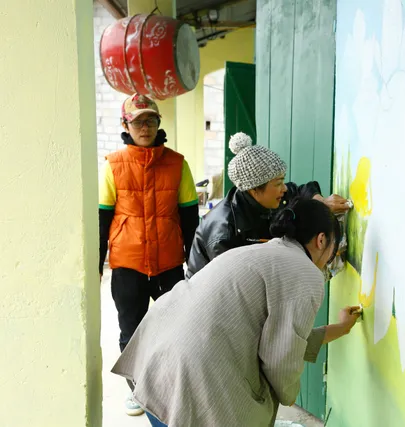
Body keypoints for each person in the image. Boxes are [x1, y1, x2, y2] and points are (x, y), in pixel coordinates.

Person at [112, 199, 361, 427]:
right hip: (191, 380)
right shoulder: (306, 273)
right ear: (321, 240)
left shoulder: (263, 251)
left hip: (157, 369)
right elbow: (281, 359)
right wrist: (287, 394)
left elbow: (281, 338)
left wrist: (339, 328)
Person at [98, 93, 200, 417]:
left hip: (169, 263)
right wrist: (96, 264)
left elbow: (190, 219)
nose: (145, 126)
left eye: (151, 120)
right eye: (139, 120)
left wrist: (194, 264)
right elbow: (102, 219)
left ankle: (170, 388)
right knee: (132, 331)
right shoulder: (112, 166)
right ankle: (140, 392)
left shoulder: (177, 164)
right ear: (125, 125)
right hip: (128, 265)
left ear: (158, 124)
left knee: (174, 329)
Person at [186, 132, 351, 278]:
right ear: (254, 189)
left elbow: (301, 191)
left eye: (283, 180)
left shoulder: (273, 197)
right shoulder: (225, 234)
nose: (284, 188)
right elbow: (234, 288)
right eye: (278, 183)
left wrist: (321, 202)